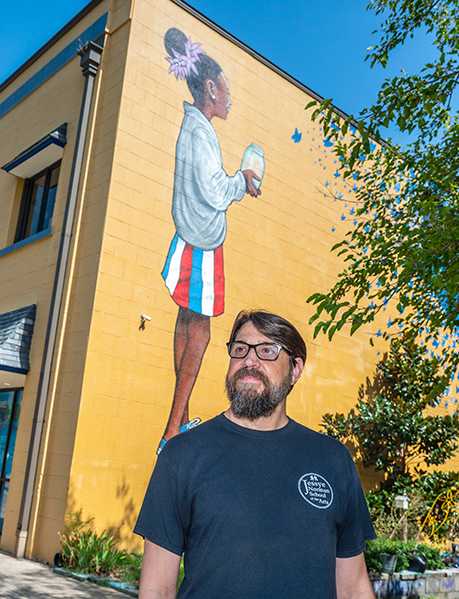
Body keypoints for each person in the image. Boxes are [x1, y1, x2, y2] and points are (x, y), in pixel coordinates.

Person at [135, 310, 377, 599]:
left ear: (295, 369)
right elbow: (157, 589)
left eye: (267, 351)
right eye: (240, 349)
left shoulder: (333, 459)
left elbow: (353, 589)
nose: (249, 360)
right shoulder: (182, 454)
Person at [159, 28, 262, 454]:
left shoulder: (193, 127)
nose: (230, 97)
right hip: (202, 247)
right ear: (209, 87)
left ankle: (178, 421)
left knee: (186, 324)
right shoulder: (200, 133)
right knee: (199, 331)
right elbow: (217, 191)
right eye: (225, 88)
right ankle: (172, 431)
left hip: (187, 239)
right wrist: (244, 179)